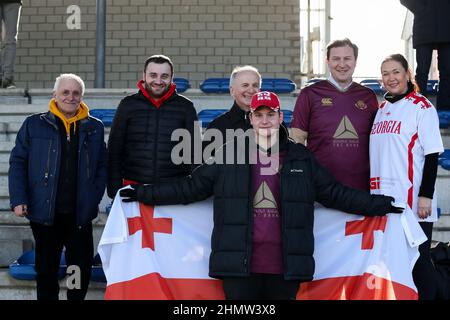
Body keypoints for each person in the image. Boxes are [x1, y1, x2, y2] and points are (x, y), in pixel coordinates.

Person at [120, 91, 403, 300]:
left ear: (281, 117)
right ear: (251, 118)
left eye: (271, 114)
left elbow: (335, 194)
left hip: (286, 266)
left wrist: (379, 204)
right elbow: (190, 188)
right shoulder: (229, 154)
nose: (265, 120)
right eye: (259, 114)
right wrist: (145, 193)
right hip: (239, 267)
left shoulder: (300, 158)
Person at [8, 73, 107, 300]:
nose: (70, 97)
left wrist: (93, 197)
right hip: (45, 214)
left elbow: (102, 164)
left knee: (79, 269)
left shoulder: (94, 127)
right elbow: (18, 163)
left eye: (76, 93)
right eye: (65, 92)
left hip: (79, 214)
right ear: (55, 94)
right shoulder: (34, 124)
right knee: (47, 271)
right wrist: (18, 198)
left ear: (81, 97)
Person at [371, 54, 444, 300]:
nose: (391, 78)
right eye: (385, 73)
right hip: (385, 202)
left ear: (407, 73)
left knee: (419, 263)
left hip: (413, 203)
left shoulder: (422, 107)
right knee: (394, 265)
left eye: (395, 72)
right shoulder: (381, 110)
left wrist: (425, 196)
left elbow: (433, 155)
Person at [291, 38, 379, 191]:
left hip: (360, 190)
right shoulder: (310, 94)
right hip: (320, 190)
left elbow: (377, 142)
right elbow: (297, 139)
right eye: (336, 59)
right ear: (328, 61)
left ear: (355, 61)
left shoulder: (368, 96)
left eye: (347, 58)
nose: (342, 64)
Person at [107, 54, 200, 199]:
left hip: (173, 191)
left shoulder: (186, 107)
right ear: (144, 76)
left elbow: (194, 154)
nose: (158, 81)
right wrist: (114, 191)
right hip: (133, 190)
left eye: (164, 76)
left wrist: (194, 190)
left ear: (171, 78)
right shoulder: (127, 105)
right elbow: (114, 150)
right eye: (153, 75)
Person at [400, 0, 450, 109]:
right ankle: (420, 107)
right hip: (424, 26)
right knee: (422, 71)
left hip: (447, 25)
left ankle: (444, 110)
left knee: (447, 72)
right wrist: (422, 10)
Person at [202, 65, 261, 157]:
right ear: (232, 91)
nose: (251, 90)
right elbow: (203, 167)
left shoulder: (270, 124)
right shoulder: (217, 126)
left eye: (255, 85)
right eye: (245, 85)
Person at [0, 0, 21, 88]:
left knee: (11, 40)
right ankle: (5, 78)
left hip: (13, 1)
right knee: (11, 40)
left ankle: (8, 78)